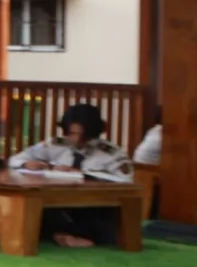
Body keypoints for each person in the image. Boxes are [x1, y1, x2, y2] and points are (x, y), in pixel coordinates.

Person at [9, 104, 129, 247]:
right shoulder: (56, 145)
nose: (76, 140)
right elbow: (15, 159)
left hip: (91, 206)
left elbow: (126, 180)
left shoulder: (111, 153)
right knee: (34, 203)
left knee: (100, 218)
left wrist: (84, 175)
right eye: (72, 133)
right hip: (58, 202)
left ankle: (66, 235)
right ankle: (63, 235)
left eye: (82, 135)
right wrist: (26, 164)